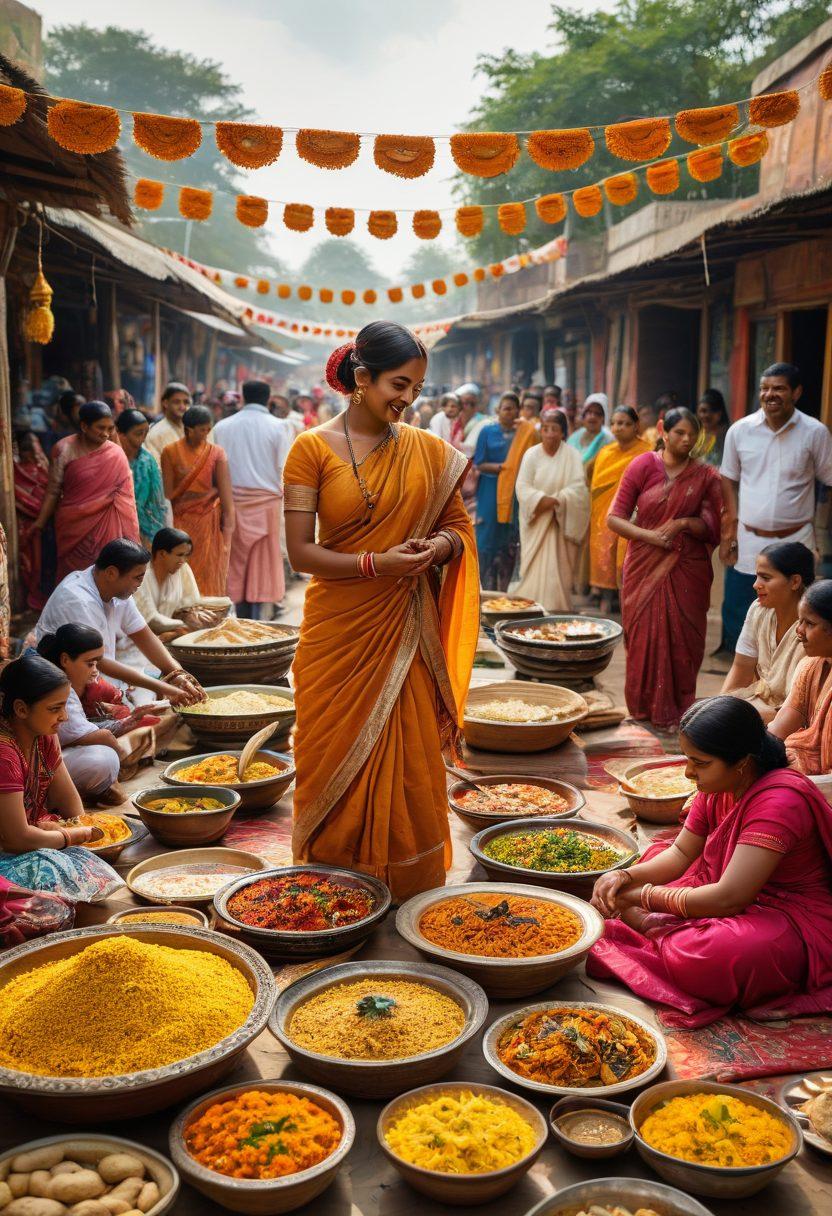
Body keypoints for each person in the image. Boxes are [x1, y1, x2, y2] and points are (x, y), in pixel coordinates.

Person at [283, 321, 479, 902]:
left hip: (405, 628)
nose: (408, 400)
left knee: (411, 753)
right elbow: (301, 554)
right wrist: (377, 564)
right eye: (399, 384)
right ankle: (334, 875)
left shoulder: (428, 452)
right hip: (337, 630)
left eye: (417, 388)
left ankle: (406, 880)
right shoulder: (311, 448)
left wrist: (435, 549)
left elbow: (459, 530)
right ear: (361, 379)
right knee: (326, 747)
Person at [588, 696, 832, 1027]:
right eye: (689, 760)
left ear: (743, 761)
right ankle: (663, 929)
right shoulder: (718, 784)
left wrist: (640, 897)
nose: (689, 773)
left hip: (788, 915)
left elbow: (729, 897)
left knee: (707, 955)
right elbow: (681, 853)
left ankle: (657, 929)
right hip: (725, 887)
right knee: (654, 855)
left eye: (700, 763)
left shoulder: (780, 803)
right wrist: (625, 877)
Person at [608, 407, 722, 730]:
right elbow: (614, 518)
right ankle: (643, 709)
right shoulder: (642, 465)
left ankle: (680, 709)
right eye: (679, 433)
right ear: (663, 431)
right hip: (644, 564)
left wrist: (683, 523)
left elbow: (712, 527)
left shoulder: (705, 475)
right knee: (643, 637)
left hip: (687, 569)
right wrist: (652, 537)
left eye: (692, 435)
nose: (686, 440)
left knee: (684, 639)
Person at [720, 363, 832, 652]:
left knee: (799, 612)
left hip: (796, 539)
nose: (770, 394)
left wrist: (820, 535)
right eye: (765, 388)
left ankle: (788, 678)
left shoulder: (815, 432)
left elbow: (828, 483)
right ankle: (747, 676)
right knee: (740, 607)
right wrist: (730, 530)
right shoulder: (739, 431)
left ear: (796, 392)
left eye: (779, 388)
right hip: (749, 538)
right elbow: (728, 480)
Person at [0, 653, 123, 894]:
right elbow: (16, 839)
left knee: (87, 863)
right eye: (55, 708)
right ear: (21, 709)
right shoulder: (4, 753)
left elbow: (70, 804)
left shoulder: (45, 736)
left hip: (31, 837)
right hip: (9, 849)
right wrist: (74, 836)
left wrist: (82, 830)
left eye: (65, 706)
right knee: (54, 878)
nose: (64, 717)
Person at [36, 538, 204, 709]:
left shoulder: (117, 590)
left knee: (149, 698)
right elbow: (99, 661)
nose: (140, 585)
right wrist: (164, 687)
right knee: (146, 715)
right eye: (138, 578)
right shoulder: (78, 600)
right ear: (111, 573)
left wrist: (178, 674)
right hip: (62, 685)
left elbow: (144, 635)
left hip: (96, 677)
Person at [36, 625, 156, 803]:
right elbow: (90, 734)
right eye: (90, 663)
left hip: (46, 755)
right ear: (65, 660)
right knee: (103, 760)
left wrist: (131, 719)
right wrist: (122, 755)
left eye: (97, 664)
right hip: (30, 763)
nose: (95, 670)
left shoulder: (66, 683)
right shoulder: (57, 687)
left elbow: (82, 728)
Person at [32, 402, 139, 580]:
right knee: (72, 577)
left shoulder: (116, 454)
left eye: (110, 428)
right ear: (84, 426)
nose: (105, 434)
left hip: (107, 524)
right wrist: (40, 523)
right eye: (100, 428)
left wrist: (132, 537)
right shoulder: (64, 449)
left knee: (106, 573)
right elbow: (53, 490)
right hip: (72, 526)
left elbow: (127, 499)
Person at [213, 380, 290, 619]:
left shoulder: (222, 426)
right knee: (264, 564)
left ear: (243, 398)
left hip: (231, 504)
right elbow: (284, 468)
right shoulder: (280, 426)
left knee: (235, 563)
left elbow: (215, 470)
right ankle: (259, 622)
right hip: (267, 503)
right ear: (268, 399)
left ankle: (241, 617)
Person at [722, 542, 814, 721]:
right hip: (765, 703)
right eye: (757, 577)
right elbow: (741, 666)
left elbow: (803, 708)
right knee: (705, 714)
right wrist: (719, 706)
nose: (756, 585)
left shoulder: (814, 625)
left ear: (795, 581)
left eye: (766, 578)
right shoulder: (758, 609)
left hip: (797, 717)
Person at [513, 411, 589, 611]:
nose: (549, 434)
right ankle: (531, 608)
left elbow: (579, 489)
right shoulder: (531, 455)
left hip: (561, 521)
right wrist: (540, 500)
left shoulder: (572, 455)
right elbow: (522, 487)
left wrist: (558, 500)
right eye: (545, 428)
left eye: (554, 429)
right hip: (537, 520)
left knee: (558, 573)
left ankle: (558, 609)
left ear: (563, 432)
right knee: (535, 572)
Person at [162, 405, 234, 598]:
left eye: (208, 429)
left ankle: (210, 617)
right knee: (182, 572)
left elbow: (227, 497)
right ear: (189, 429)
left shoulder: (216, 453)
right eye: (202, 429)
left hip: (207, 522)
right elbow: (168, 494)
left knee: (209, 575)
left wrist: (227, 537)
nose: (206, 433)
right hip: (181, 522)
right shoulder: (170, 452)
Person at [589, 406, 651, 613]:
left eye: (625, 423)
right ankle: (605, 598)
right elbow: (595, 485)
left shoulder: (648, 451)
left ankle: (628, 601)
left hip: (634, 511)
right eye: (615, 423)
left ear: (636, 426)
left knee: (627, 553)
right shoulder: (605, 452)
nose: (618, 428)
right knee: (605, 551)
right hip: (604, 513)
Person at [769, 579, 832, 775]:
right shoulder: (810, 666)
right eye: (800, 621)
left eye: (810, 623)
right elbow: (777, 732)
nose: (799, 631)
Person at [129, 527, 226, 642]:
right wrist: (184, 626)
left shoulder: (182, 569)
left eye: (186, 555)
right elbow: (151, 620)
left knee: (224, 607)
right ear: (162, 554)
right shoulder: (142, 574)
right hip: (139, 638)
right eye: (179, 555)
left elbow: (189, 604)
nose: (183, 560)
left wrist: (195, 616)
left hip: (171, 632)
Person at [473, 393, 525, 590]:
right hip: (490, 487)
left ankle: (505, 587)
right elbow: (480, 463)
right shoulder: (487, 431)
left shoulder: (522, 433)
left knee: (508, 535)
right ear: (498, 411)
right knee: (487, 534)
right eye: (506, 408)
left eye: (514, 408)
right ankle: (485, 584)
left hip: (513, 490)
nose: (510, 412)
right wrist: (504, 468)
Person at [115, 408, 167, 548]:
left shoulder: (148, 460)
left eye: (145, 432)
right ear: (120, 434)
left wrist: (157, 532)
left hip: (145, 530)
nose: (143, 437)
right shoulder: (111, 459)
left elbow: (157, 500)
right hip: (114, 527)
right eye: (138, 433)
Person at [13, 431, 50, 610]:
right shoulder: (16, 473)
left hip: (47, 524)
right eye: (27, 449)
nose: (33, 453)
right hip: (31, 526)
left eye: (34, 448)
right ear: (20, 451)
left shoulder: (45, 468)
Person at [568, 393, 614, 481]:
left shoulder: (609, 439)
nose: (592, 416)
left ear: (604, 418)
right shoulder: (574, 437)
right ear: (584, 415)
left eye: (597, 414)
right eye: (589, 412)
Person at [144, 382, 192, 465]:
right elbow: (155, 467)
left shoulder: (192, 429)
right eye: (177, 402)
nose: (182, 407)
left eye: (186, 402)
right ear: (165, 403)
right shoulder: (155, 433)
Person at [693, 388, 729, 467]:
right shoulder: (696, 435)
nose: (705, 415)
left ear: (719, 414)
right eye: (702, 411)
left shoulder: (728, 436)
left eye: (711, 411)